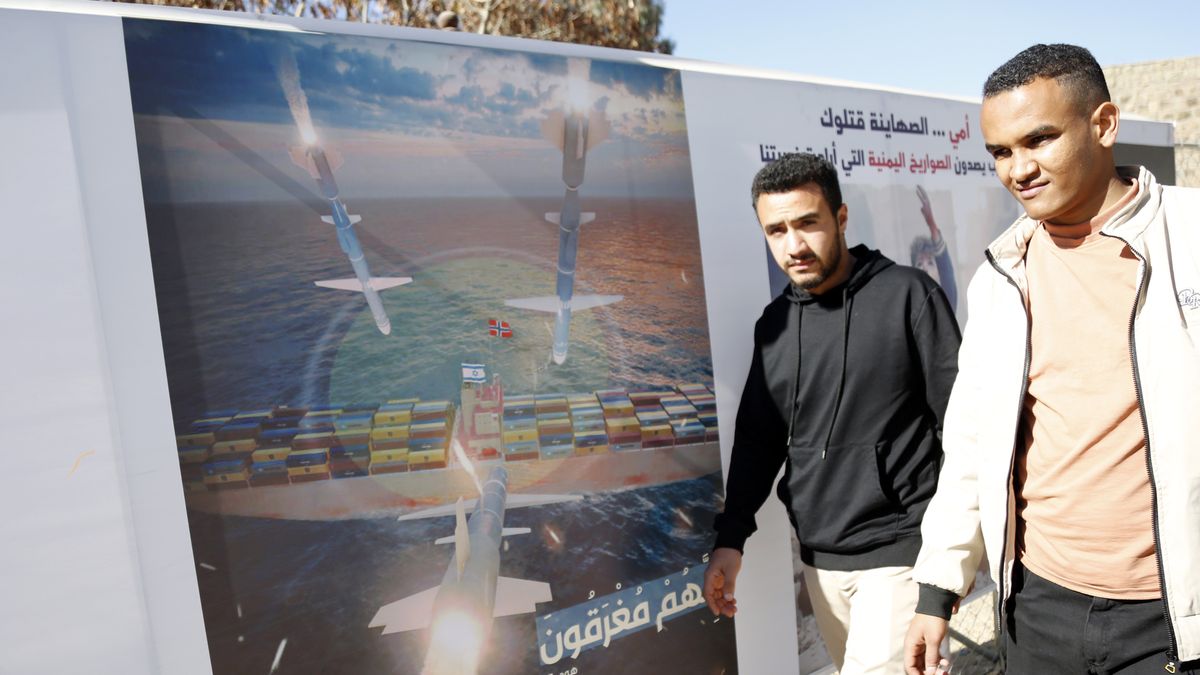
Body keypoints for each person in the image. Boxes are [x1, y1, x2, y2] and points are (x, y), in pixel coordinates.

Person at [904, 43, 1200, 675]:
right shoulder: (1000, 276)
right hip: (1037, 607)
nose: (1019, 169)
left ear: (1104, 125)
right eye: (1001, 152)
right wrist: (937, 590)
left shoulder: (1192, 238)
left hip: (1172, 616)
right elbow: (973, 441)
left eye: (1039, 140)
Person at [703, 152, 961, 674]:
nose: (793, 245)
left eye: (807, 223)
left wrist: (950, 566)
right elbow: (759, 440)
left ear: (840, 219)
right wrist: (731, 538)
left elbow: (960, 430)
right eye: (776, 231)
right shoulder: (774, 326)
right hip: (820, 560)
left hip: (901, 553)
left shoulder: (909, 296)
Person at [910, 185, 957, 312]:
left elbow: (947, 271)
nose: (925, 268)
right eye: (919, 263)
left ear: (939, 271)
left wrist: (931, 223)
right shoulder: (911, 308)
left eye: (930, 263)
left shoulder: (945, 304)